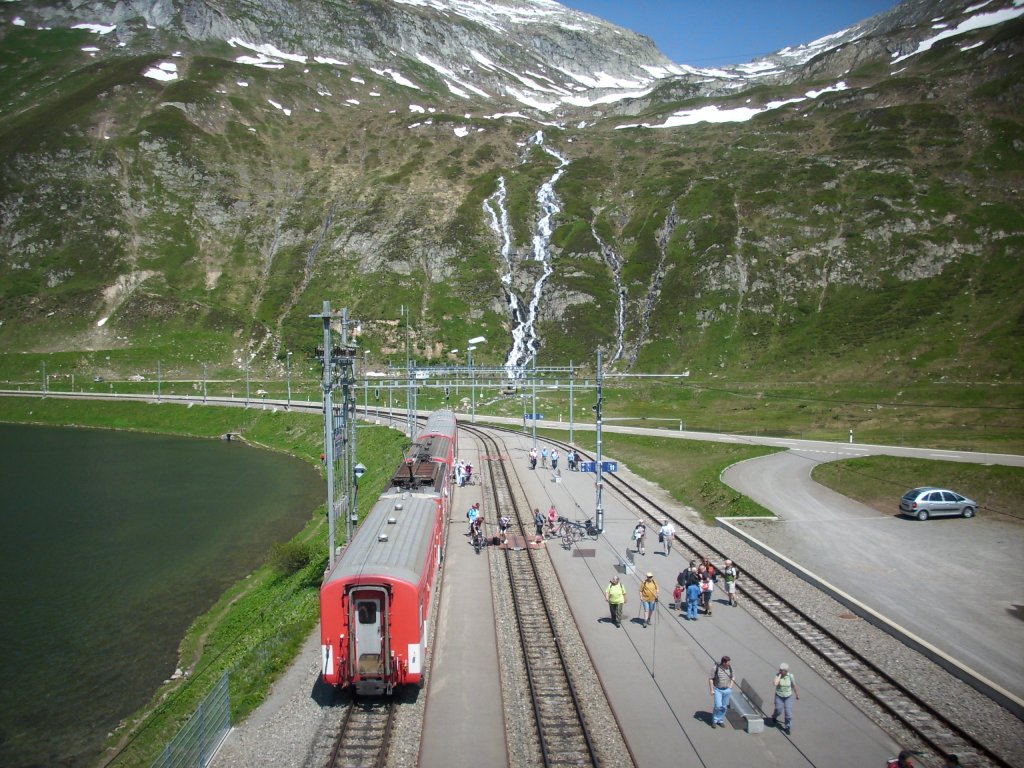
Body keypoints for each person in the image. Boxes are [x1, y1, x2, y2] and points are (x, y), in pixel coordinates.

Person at [769, 662, 799, 734]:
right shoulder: (778, 675)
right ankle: (774, 716)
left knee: (788, 713)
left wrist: (797, 694)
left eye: (782, 670)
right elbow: (775, 683)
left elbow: (794, 685)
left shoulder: (790, 676)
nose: (780, 670)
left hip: (788, 697)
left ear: (786, 671)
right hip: (779, 696)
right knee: (778, 710)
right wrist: (779, 676)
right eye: (780, 669)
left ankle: (787, 726)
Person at [708, 656, 734, 728]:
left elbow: (733, 677)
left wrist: (730, 686)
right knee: (718, 706)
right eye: (728, 662)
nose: (729, 664)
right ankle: (715, 720)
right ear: (724, 662)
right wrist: (711, 689)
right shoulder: (715, 668)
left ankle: (720, 720)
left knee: (724, 707)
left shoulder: (730, 668)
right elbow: (710, 679)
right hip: (718, 690)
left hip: (727, 690)